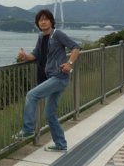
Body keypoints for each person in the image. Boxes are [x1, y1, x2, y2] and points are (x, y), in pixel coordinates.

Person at [13, 9, 81, 152]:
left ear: (51, 21)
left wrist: (69, 63)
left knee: (32, 95)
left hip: (59, 76)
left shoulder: (57, 34)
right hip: (51, 78)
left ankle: (27, 129)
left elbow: (76, 47)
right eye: (40, 20)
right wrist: (25, 57)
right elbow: (35, 55)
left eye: (46, 19)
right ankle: (60, 144)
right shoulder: (41, 37)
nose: (43, 22)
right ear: (38, 23)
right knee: (50, 114)